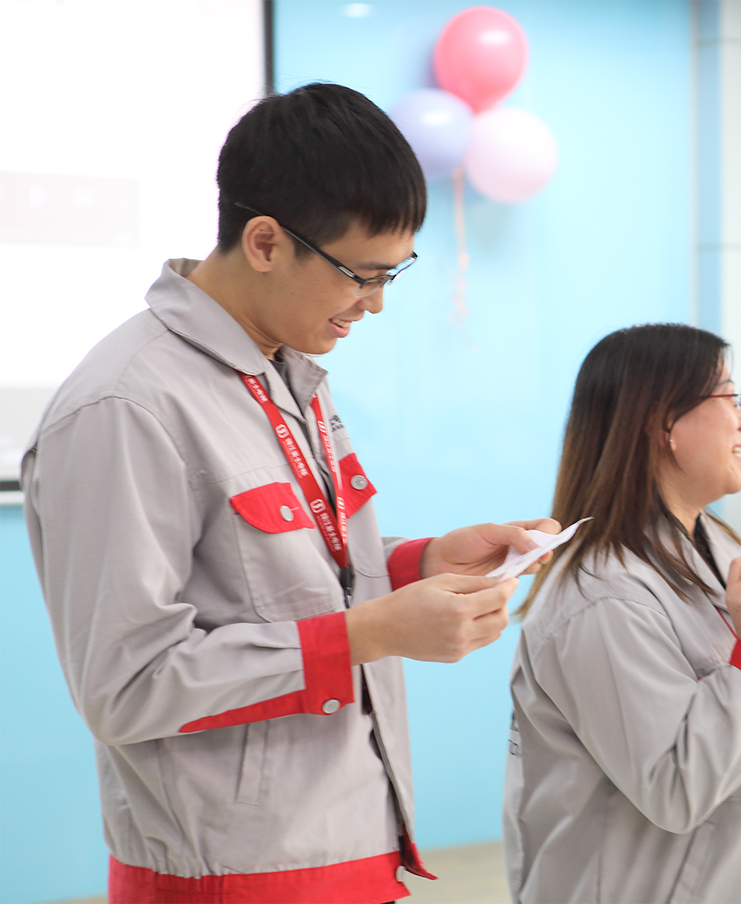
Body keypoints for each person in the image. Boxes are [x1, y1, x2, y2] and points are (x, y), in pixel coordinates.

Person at [21, 83, 558, 904]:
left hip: (354, 845)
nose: (375, 303)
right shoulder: (126, 406)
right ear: (266, 242)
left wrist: (419, 564)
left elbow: (279, 577)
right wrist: (368, 633)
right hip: (232, 880)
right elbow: (127, 686)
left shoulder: (288, 371)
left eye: (393, 274)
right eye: (361, 275)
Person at [501, 324, 741, 903]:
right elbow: (676, 789)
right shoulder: (604, 598)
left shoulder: (720, 548)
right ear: (663, 424)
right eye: (731, 399)